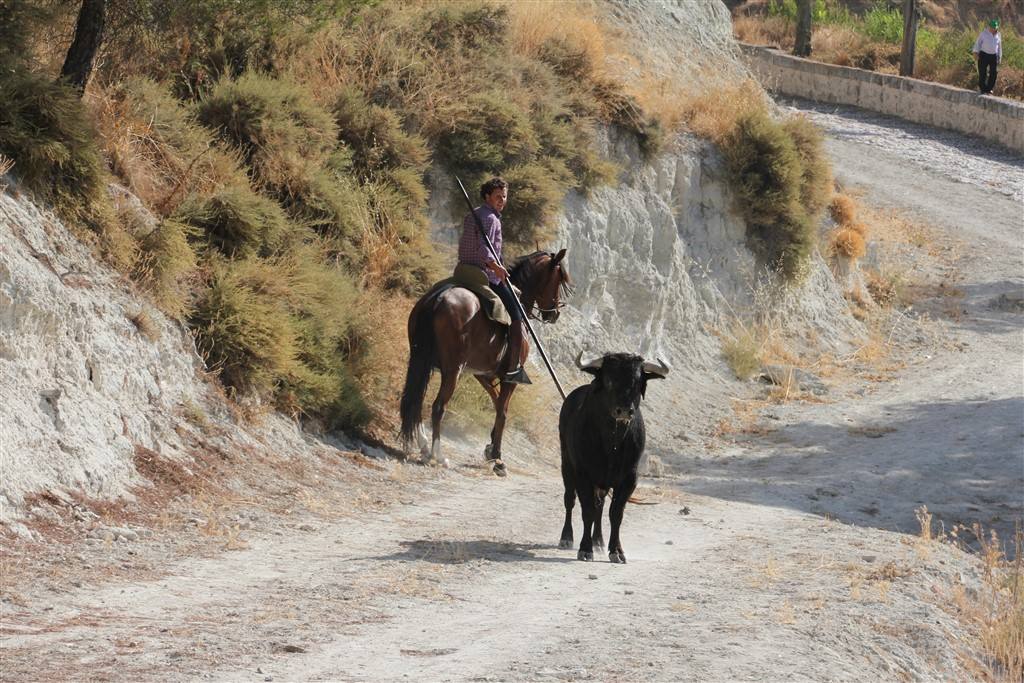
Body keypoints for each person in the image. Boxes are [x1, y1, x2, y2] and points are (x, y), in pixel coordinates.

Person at [456, 177, 530, 384]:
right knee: (517, 313)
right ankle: (514, 367)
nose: (502, 200)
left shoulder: (474, 215)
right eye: (498, 196)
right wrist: (496, 267)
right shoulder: (491, 219)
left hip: (463, 270)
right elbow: (483, 248)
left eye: (504, 196)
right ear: (487, 196)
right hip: (484, 274)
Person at [973, 19, 1002, 95]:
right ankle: (983, 88)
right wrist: (975, 52)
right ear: (989, 27)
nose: (994, 29)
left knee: (994, 73)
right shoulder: (983, 34)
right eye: (992, 27)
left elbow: (999, 47)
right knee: (982, 72)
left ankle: (989, 89)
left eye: (995, 27)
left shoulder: (998, 35)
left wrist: (999, 57)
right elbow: (978, 43)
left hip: (994, 56)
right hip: (984, 55)